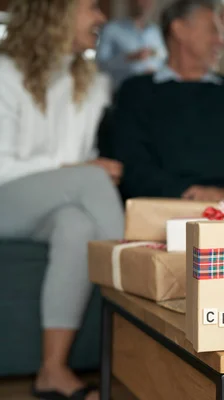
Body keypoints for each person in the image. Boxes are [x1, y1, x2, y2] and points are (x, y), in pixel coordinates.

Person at [0, 1, 124, 399]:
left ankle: (52, 369)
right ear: (56, 13)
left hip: (50, 201)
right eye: (92, 8)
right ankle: (136, 300)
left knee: (77, 225)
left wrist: (84, 168)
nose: (102, 18)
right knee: (89, 181)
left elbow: (79, 161)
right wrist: (78, 168)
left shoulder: (90, 82)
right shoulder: (4, 72)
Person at [112, 0, 224, 202]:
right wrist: (190, 193)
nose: (222, 41)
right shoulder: (136, 91)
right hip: (164, 210)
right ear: (179, 30)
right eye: (214, 31)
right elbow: (131, 165)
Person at [96, 0, 167, 91]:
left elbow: (164, 61)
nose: (146, 2)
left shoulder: (156, 32)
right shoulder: (111, 30)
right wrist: (129, 58)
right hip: (123, 94)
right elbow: (101, 65)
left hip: (154, 93)